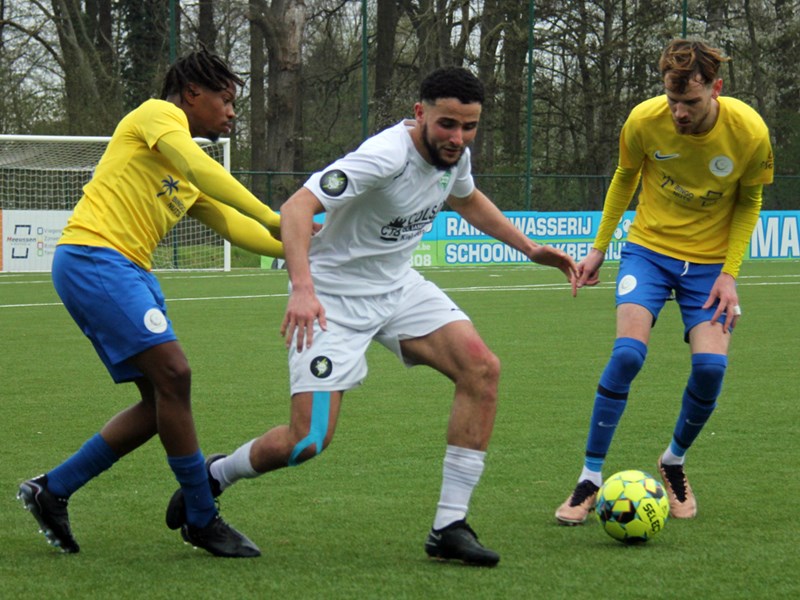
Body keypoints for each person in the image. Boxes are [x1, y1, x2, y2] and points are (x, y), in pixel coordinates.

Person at [165, 66, 579, 566]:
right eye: (447, 123)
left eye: (469, 126)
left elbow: (465, 198)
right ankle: (215, 477)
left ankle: (449, 526)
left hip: (398, 288)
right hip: (333, 299)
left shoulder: (455, 156)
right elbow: (298, 207)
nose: (458, 137)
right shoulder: (383, 157)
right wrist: (302, 288)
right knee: (307, 442)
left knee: (482, 368)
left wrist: (529, 247)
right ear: (420, 113)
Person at [17, 48, 285, 558]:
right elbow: (205, 175)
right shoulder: (157, 114)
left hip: (128, 270)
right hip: (96, 257)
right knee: (175, 375)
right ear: (191, 94)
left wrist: (295, 248)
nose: (232, 113)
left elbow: (231, 224)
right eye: (226, 100)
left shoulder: (187, 166)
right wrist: (276, 216)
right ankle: (202, 516)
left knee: (160, 399)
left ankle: (52, 489)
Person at [555, 39, 773, 525]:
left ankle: (673, 461)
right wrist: (598, 248)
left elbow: (749, 202)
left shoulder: (750, 132)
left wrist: (730, 275)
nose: (678, 113)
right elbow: (623, 179)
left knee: (712, 369)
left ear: (716, 89)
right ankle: (590, 478)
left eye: (691, 103)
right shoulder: (642, 121)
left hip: (712, 266)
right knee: (628, 354)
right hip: (649, 253)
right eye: (672, 101)